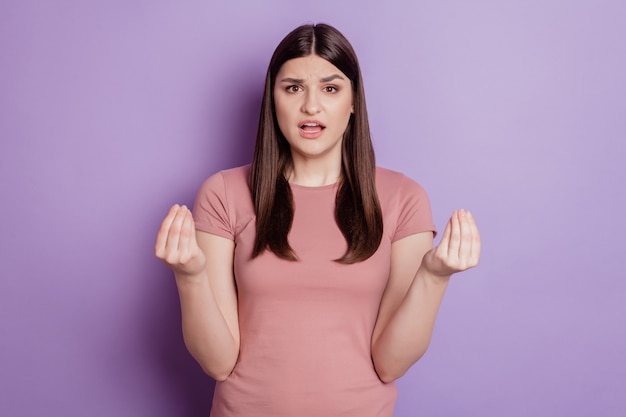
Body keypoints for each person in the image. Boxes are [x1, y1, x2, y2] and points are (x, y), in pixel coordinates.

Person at [155, 23, 480, 417]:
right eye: (293, 88)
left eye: (330, 88)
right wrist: (190, 277)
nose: (311, 106)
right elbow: (218, 362)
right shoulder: (224, 193)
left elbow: (390, 364)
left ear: (354, 101)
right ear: (272, 100)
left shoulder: (403, 199)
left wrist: (433, 275)